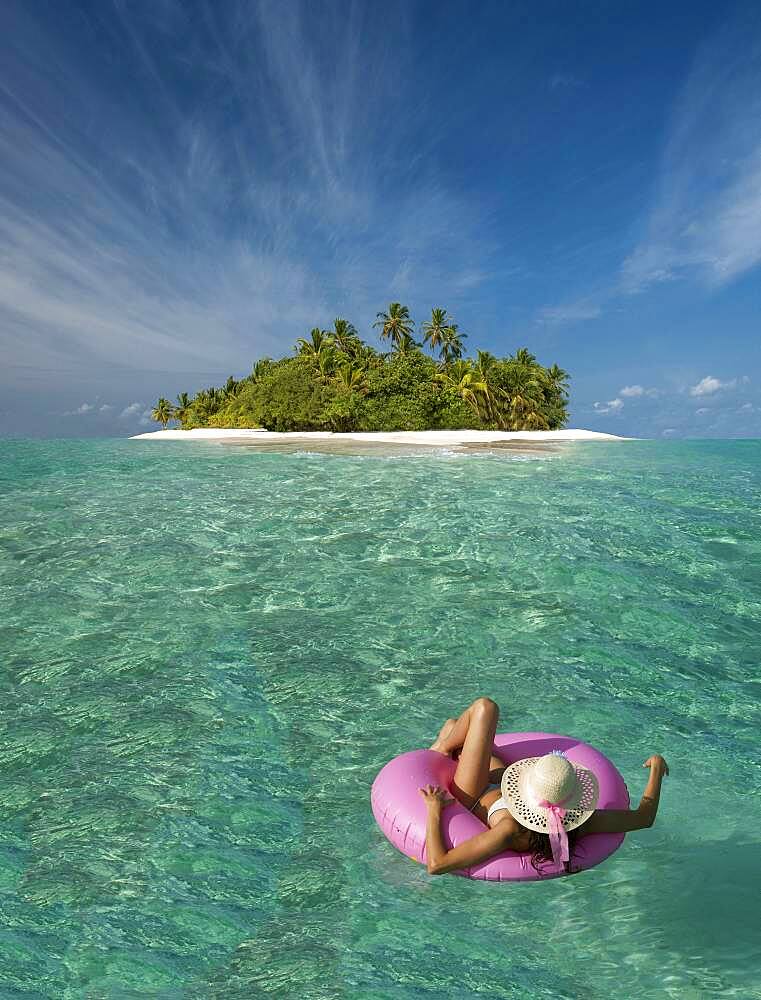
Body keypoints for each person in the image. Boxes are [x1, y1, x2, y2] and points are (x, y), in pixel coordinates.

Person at [420, 697, 669, 876]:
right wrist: (656, 772)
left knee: (484, 709)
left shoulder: (509, 831)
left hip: (475, 792)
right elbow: (643, 818)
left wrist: (433, 810)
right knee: (458, 729)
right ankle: (452, 741)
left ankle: (441, 748)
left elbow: (437, 865)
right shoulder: (580, 821)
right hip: (503, 777)